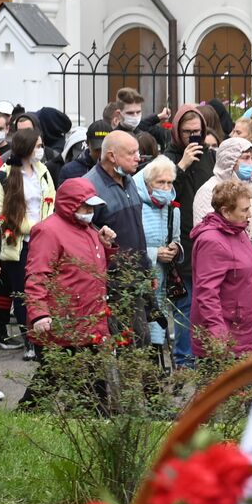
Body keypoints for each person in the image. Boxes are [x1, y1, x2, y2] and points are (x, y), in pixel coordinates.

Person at [20, 177, 116, 407]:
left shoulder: (90, 230)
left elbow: (92, 270)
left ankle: (29, 416)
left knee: (87, 388)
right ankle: (25, 418)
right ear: (71, 204)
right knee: (56, 382)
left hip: (89, 322)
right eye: (86, 206)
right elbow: (37, 275)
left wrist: (107, 247)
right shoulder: (49, 231)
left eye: (93, 206)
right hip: (62, 324)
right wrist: (40, 314)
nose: (90, 211)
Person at [193, 137, 252, 345]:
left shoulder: (250, 187)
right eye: (245, 158)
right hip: (233, 273)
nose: (250, 163)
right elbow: (214, 229)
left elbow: (251, 222)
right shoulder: (209, 190)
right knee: (239, 335)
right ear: (229, 160)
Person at [85, 129, 153, 346]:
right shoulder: (89, 187)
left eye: (138, 152)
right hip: (112, 281)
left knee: (141, 341)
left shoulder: (129, 179)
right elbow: (84, 234)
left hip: (136, 276)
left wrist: (147, 267)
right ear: (111, 156)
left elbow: (136, 230)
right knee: (128, 344)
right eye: (131, 153)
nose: (138, 157)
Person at [0, 129, 54, 356]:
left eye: (41, 145)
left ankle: (44, 337)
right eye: (37, 146)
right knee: (22, 293)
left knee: (45, 290)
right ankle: (29, 339)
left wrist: (47, 227)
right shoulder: (4, 175)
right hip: (18, 242)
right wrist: (31, 227)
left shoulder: (43, 171)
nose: (41, 150)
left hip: (44, 239)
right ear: (26, 147)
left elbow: (51, 201)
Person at [164, 105, 216, 367]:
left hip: (208, 239)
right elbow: (165, 193)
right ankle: (184, 360)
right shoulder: (168, 157)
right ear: (177, 132)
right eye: (187, 132)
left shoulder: (209, 156)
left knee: (208, 303)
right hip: (181, 240)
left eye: (197, 132)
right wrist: (182, 165)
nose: (192, 137)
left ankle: (205, 355)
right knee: (186, 304)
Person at [190, 181, 252, 358]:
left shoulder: (237, 229)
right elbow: (207, 292)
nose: (249, 215)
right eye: (244, 210)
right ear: (225, 211)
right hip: (227, 337)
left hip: (245, 330)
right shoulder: (212, 241)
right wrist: (219, 335)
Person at [132, 156, 183, 352]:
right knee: (141, 335)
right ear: (148, 184)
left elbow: (176, 238)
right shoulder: (137, 207)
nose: (166, 187)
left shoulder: (172, 210)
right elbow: (129, 246)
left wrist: (175, 249)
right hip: (141, 278)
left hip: (162, 283)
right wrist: (154, 253)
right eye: (160, 182)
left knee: (158, 333)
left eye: (169, 183)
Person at [58, 122, 108, 188]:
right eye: (97, 150)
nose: (101, 154)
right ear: (87, 143)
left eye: (104, 149)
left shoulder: (118, 169)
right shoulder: (70, 171)